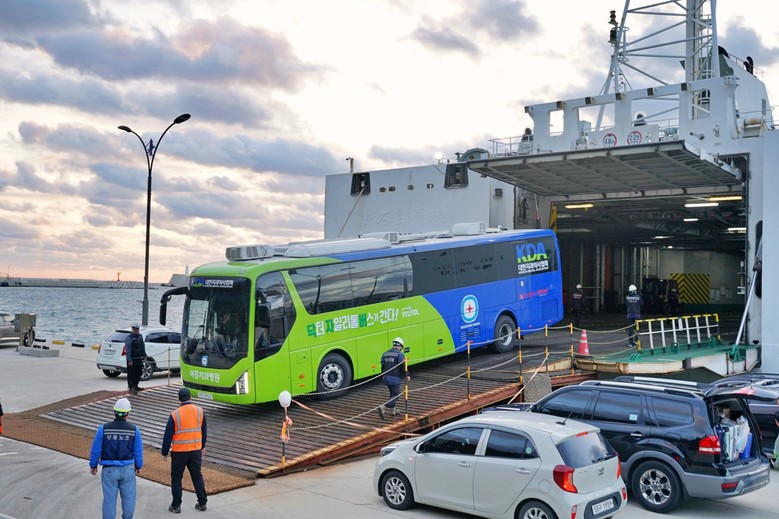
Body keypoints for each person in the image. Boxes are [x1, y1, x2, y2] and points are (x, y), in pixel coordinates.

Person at [89, 397, 143, 519]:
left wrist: (93, 465)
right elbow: (138, 451)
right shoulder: (134, 430)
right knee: (129, 499)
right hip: (128, 469)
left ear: (114, 411)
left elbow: (96, 449)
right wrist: (138, 465)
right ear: (127, 413)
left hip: (109, 470)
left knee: (109, 501)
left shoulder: (103, 429)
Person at [162, 387, 208, 513]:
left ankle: (176, 506)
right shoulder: (200, 411)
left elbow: (168, 435)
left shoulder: (175, 414)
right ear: (190, 397)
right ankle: (202, 503)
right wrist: (202, 446)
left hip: (179, 452)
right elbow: (204, 431)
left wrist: (164, 452)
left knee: (176, 478)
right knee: (197, 475)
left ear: (179, 399)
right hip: (195, 450)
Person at [378, 337, 410, 419]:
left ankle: (393, 410)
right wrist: (407, 375)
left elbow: (382, 365)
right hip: (394, 378)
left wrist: (383, 375)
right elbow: (402, 366)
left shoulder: (385, 353)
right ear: (400, 346)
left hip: (386, 377)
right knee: (396, 394)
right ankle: (384, 406)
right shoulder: (400, 354)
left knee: (392, 393)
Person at [125, 324, 146, 394]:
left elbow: (142, 347)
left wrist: (144, 355)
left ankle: (136, 385)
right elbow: (128, 350)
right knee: (131, 374)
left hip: (138, 358)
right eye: (135, 329)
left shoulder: (140, 336)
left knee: (139, 373)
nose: (136, 330)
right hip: (132, 359)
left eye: (137, 329)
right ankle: (131, 388)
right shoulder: (129, 338)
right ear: (132, 329)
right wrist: (129, 360)